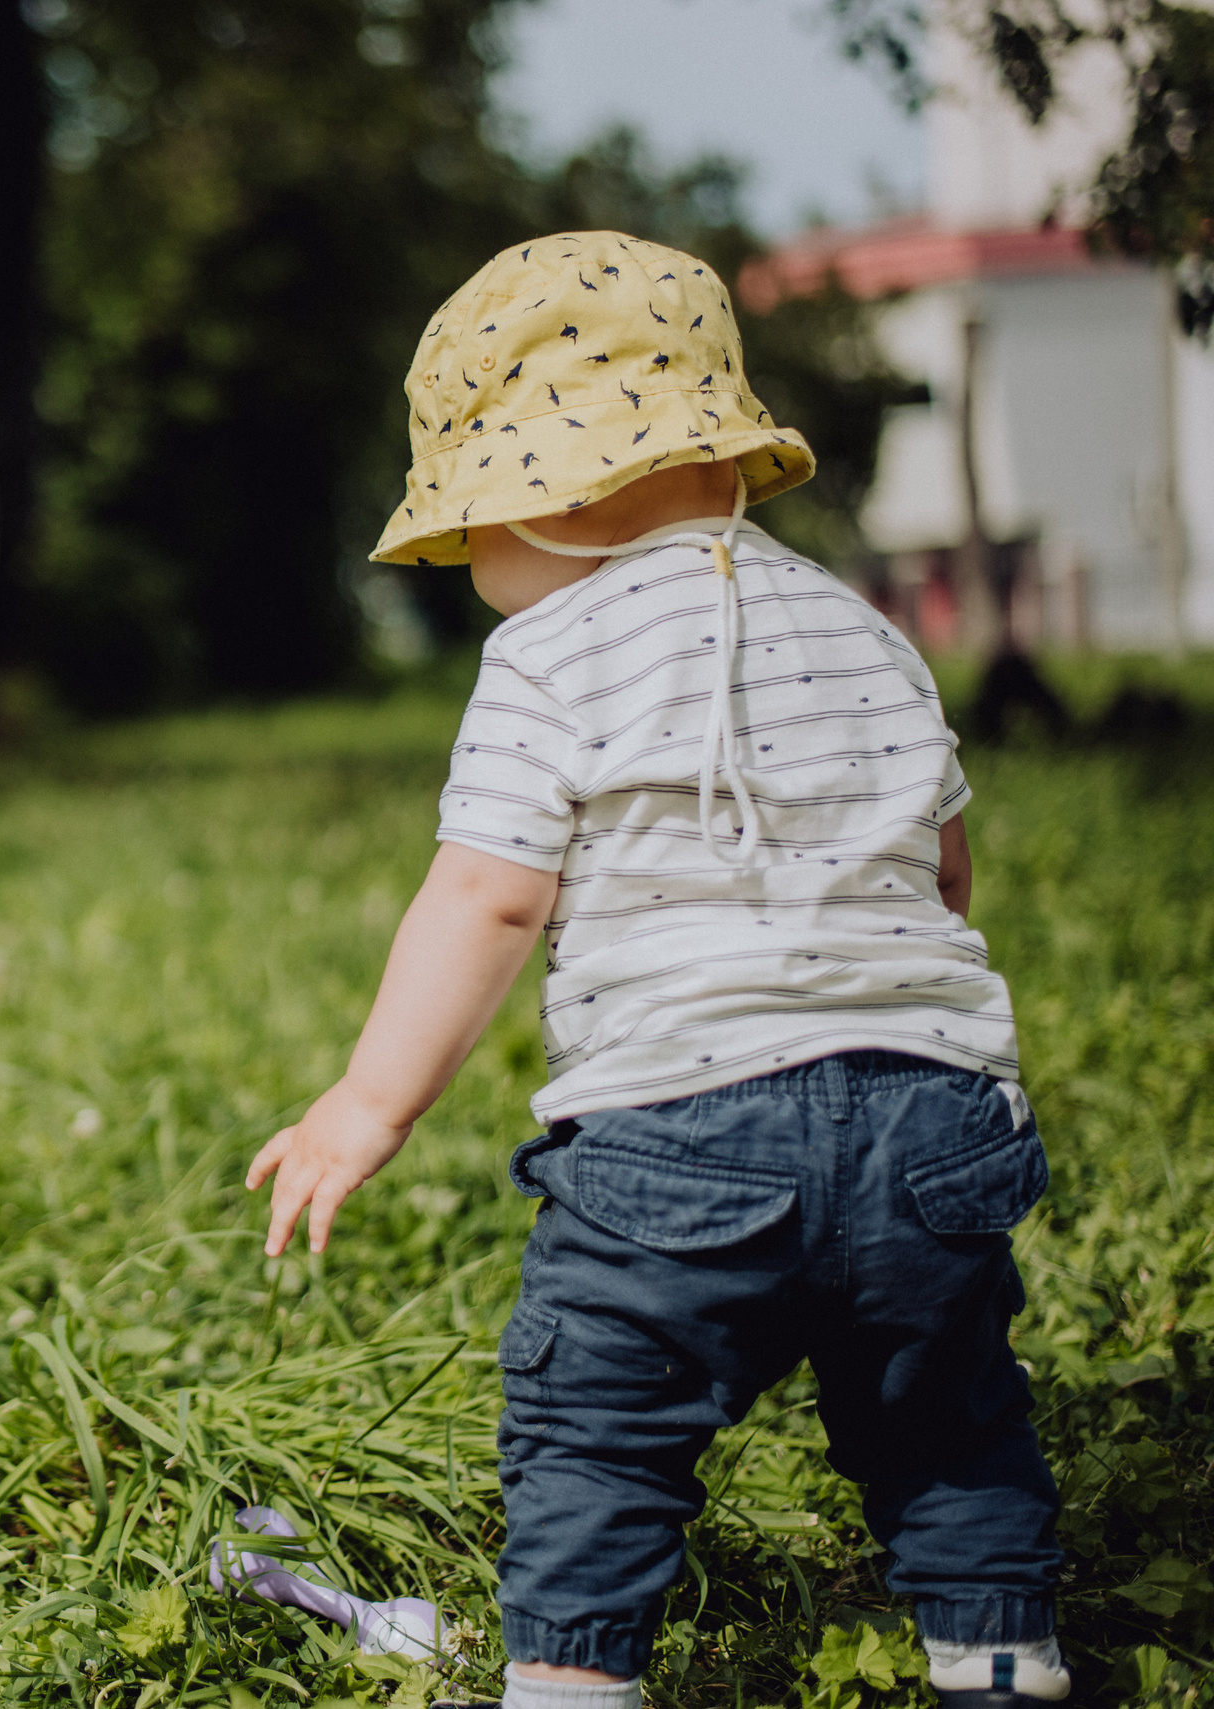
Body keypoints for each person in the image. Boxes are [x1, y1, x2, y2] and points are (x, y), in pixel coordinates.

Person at [247, 233, 1064, 1709]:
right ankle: (998, 1656)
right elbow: (943, 873)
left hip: (681, 1140)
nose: (472, 564)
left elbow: (489, 898)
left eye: (471, 524)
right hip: (933, 1128)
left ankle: (571, 1681)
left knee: (599, 1426)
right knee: (949, 1418)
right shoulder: (869, 632)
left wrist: (370, 1101)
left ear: (555, 499)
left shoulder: (554, 650)